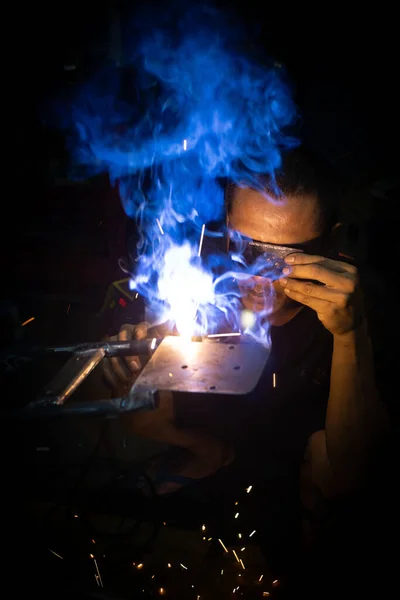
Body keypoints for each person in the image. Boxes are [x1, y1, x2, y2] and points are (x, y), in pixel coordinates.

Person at [102, 147, 393, 582]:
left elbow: (352, 474)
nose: (259, 278)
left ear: (330, 245)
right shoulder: (203, 283)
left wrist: (350, 337)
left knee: (334, 495)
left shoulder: (360, 311)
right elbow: (133, 404)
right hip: (222, 441)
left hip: (303, 470)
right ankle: (210, 453)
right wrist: (134, 365)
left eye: (286, 258)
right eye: (245, 248)